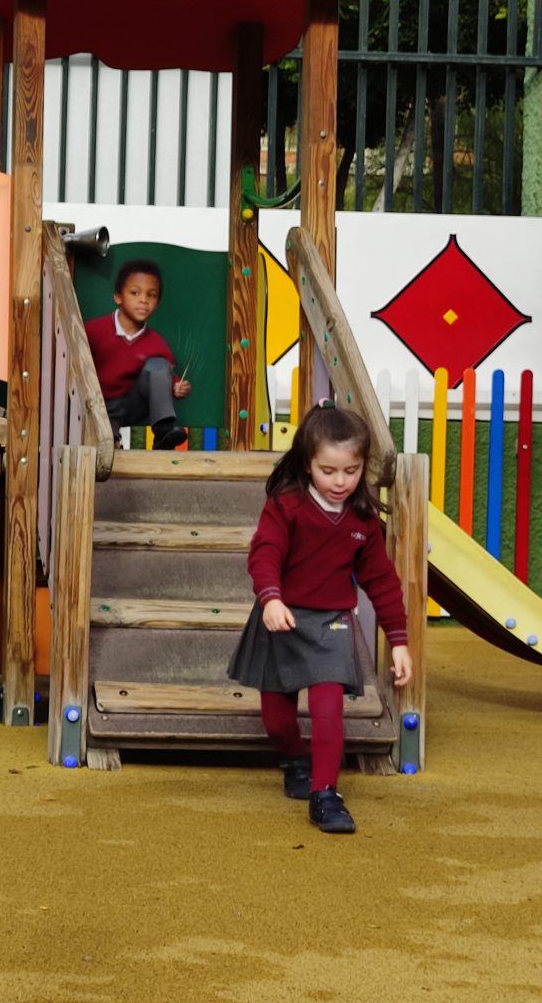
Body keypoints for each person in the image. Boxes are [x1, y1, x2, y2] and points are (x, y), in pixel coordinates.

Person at [227, 403, 413, 835]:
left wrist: (399, 640)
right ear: (308, 465)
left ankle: (326, 793)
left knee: (329, 708)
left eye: (350, 470)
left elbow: (382, 582)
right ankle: (295, 758)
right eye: (328, 470)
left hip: (332, 621)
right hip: (282, 617)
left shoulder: (363, 520)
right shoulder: (287, 506)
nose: (340, 481)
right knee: (276, 720)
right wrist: (271, 599)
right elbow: (265, 553)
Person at [83, 258, 191, 449]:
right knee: (106, 448)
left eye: (152, 295)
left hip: (132, 404)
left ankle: (163, 431)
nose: (144, 300)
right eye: (135, 293)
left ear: (157, 303)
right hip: (98, 405)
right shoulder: (94, 331)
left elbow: (163, 375)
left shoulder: (157, 343)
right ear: (118, 297)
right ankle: (111, 439)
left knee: (158, 365)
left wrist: (176, 386)